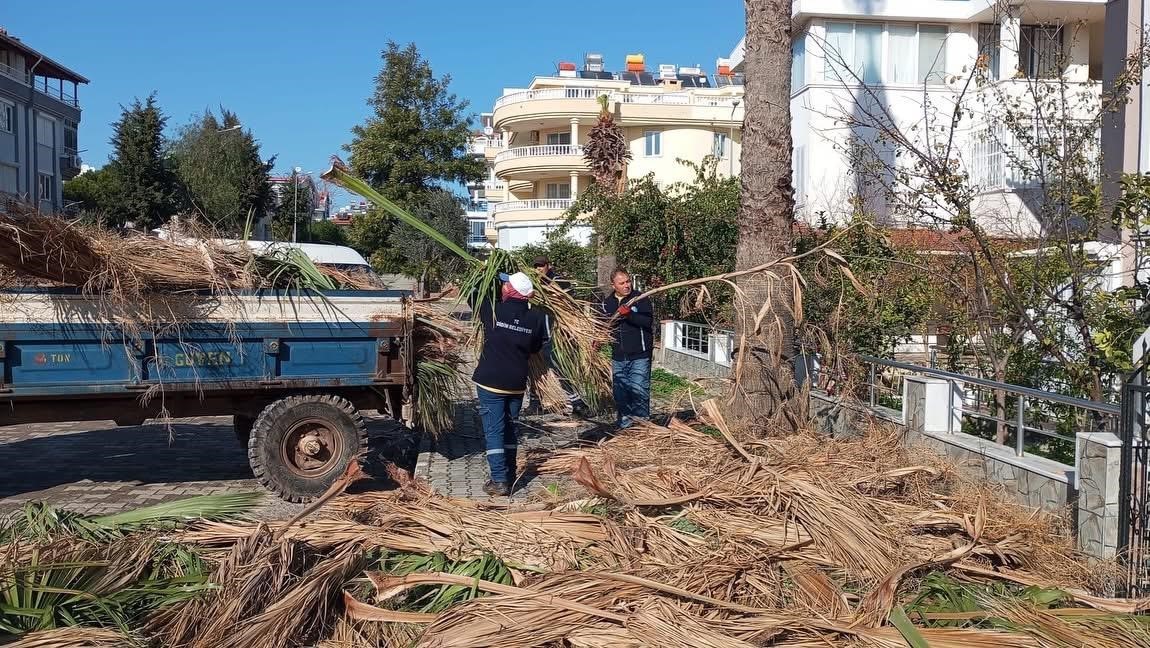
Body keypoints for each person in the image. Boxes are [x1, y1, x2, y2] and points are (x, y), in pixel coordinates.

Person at [470, 271, 548, 496]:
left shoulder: (494, 310)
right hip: (516, 383)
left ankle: (499, 480)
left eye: (506, 285)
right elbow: (535, 348)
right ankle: (511, 474)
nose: (503, 288)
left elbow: (474, 296)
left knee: (494, 430)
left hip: (490, 381)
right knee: (511, 428)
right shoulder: (536, 317)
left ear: (510, 290)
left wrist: (485, 273)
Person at [527, 255, 588, 417]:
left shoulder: (559, 282)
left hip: (554, 334)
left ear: (549, 266)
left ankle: (577, 402)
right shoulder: (533, 284)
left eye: (541, 266)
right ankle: (535, 402)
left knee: (559, 368)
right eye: (536, 266)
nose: (538, 269)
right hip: (536, 334)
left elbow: (571, 304)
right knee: (534, 370)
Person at [600, 268, 654, 429]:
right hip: (618, 356)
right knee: (620, 392)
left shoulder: (640, 299)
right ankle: (625, 424)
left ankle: (642, 423)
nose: (626, 285)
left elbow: (647, 322)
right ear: (613, 285)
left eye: (628, 281)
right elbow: (603, 327)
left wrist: (629, 314)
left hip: (640, 355)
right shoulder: (606, 303)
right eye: (622, 283)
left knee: (639, 390)